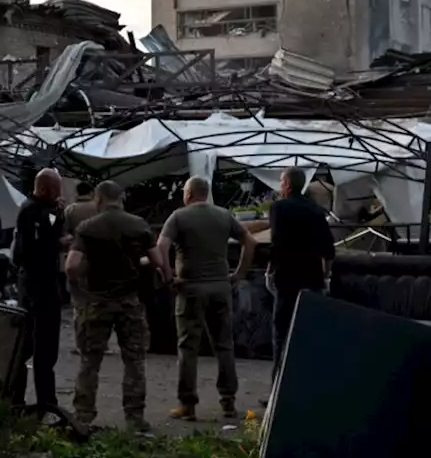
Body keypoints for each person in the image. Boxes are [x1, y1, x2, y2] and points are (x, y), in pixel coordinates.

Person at [64, 180, 169, 431]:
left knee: (90, 361)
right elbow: (156, 260)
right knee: (134, 361)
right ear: (121, 199)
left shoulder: (87, 228)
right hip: (129, 303)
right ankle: (135, 417)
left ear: (98, 200)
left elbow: (71, 266)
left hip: (96, 302)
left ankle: (83, 416)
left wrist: (86, 279)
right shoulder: (139, 225)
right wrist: (136, 261)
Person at [156, 176, 257, 421]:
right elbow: (250, 241)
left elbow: (161, 246)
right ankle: (228, 403)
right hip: (220, 288)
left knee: (188, 347)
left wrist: (169, 277)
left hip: (190, 289)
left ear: (188, 194)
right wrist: (239, 274)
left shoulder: (179, 217)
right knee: (224, 345)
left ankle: (187, 405)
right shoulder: (223, 215)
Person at [266, 167, 336, 387]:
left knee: (281, 335)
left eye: (280, 182)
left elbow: (277, 242)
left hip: (286, 278)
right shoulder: (316, 211)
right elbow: (329, 250)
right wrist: (325, 276)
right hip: (312, 278)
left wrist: (270, 270)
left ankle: (278, 388)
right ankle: (307, 387)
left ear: (287, 185)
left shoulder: (279, 208)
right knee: (307, 336)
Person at [9, 168, 66, 410]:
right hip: (37, 285)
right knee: (40, 345)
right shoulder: (31, 211)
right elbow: (32, 248)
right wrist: (57, 241)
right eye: (55, 191)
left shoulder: (39, 210)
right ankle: (40, 401)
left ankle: (31, 399)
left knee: (36, 346)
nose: (58, 196)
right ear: (44, 188)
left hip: (37, 283)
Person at [63, 181, 99, 348]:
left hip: (75, 259)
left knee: (79, 304)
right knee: (97, 303)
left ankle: (80, 343)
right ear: (91, 192)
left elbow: (64, 235)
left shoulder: (70, 210)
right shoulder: (98, 209)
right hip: (97, 262)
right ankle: (98, 342)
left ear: (77, 193)